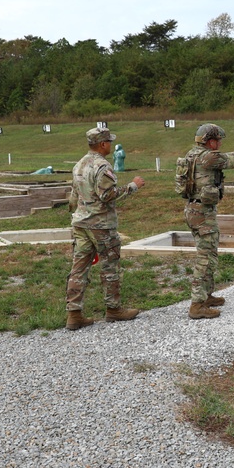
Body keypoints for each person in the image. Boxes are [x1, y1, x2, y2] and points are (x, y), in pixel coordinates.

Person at [180, 124, 234, 319]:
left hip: (197, 210)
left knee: (209, 253)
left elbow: (224, 157)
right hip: (202, 212)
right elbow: (229, 160)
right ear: (210, 141)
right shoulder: (208, 157)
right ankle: (197, 305)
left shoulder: (193, 154)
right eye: (218, 140)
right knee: (205, 258)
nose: (219, 144)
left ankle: (206, 296)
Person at [65, 126, 145, 330]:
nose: (110, 144)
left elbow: (73, 196)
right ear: (102, 144)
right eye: (108, 141)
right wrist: (132, 186)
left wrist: (76, 215)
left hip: (81, 223)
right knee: (110, 267)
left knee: (78, 269)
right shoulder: (102, 166)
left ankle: (74, 314)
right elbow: (107, 195)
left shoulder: (79, 164)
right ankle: (113, 309)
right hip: (101, 225)